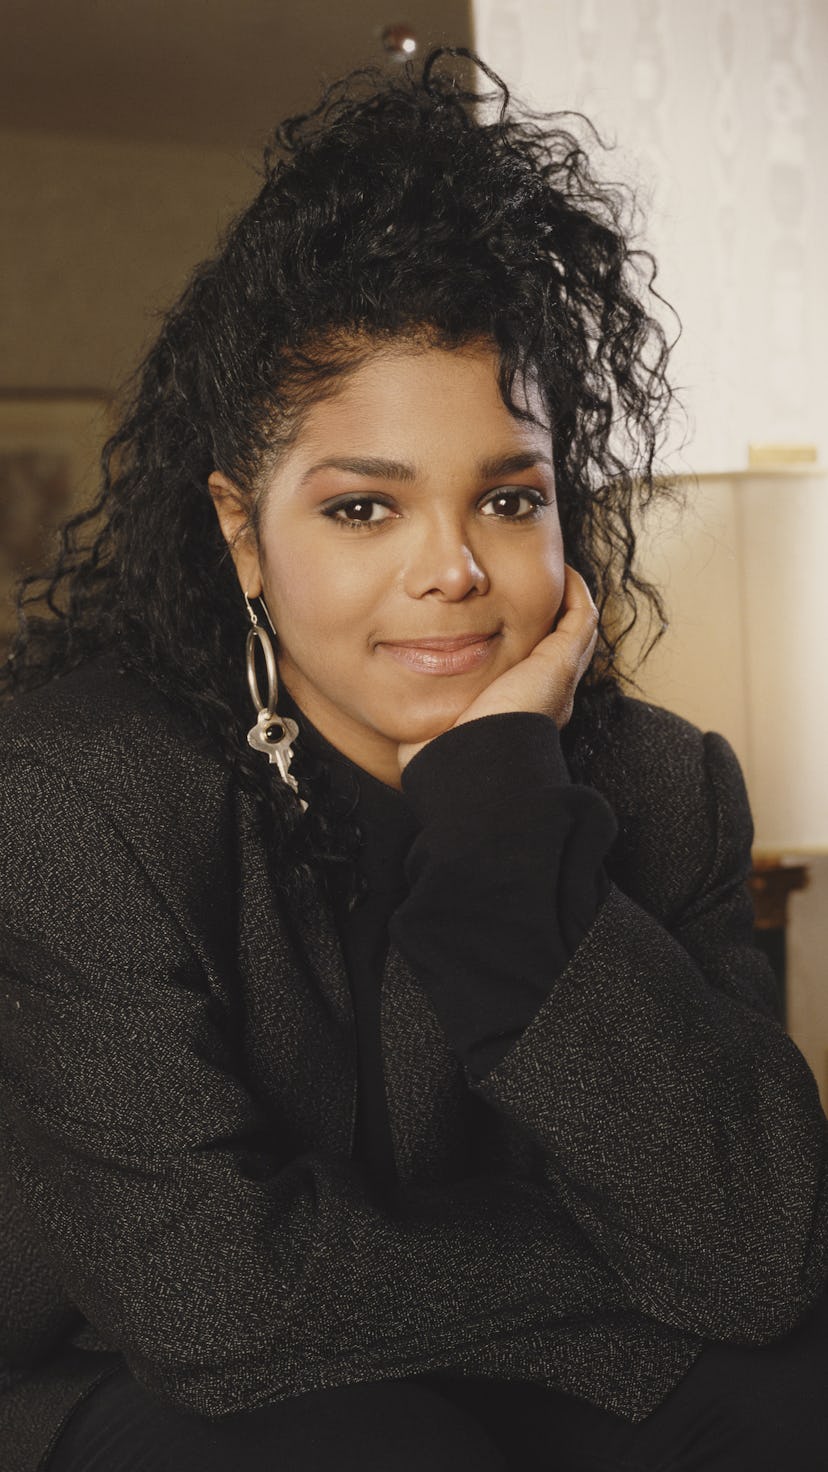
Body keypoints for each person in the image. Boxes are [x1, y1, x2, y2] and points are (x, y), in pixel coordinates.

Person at [1, 47, 827, 1472]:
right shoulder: (76, 797)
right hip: (129, 1379)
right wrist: (609, 1259)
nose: (454, 568)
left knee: (786, 1405)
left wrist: (504, 820)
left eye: (510, 497)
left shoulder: (664, 787)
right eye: (364, 511)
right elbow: (208, 1294)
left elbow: (758, 1251)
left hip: (497, 1357)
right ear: (244, 534)